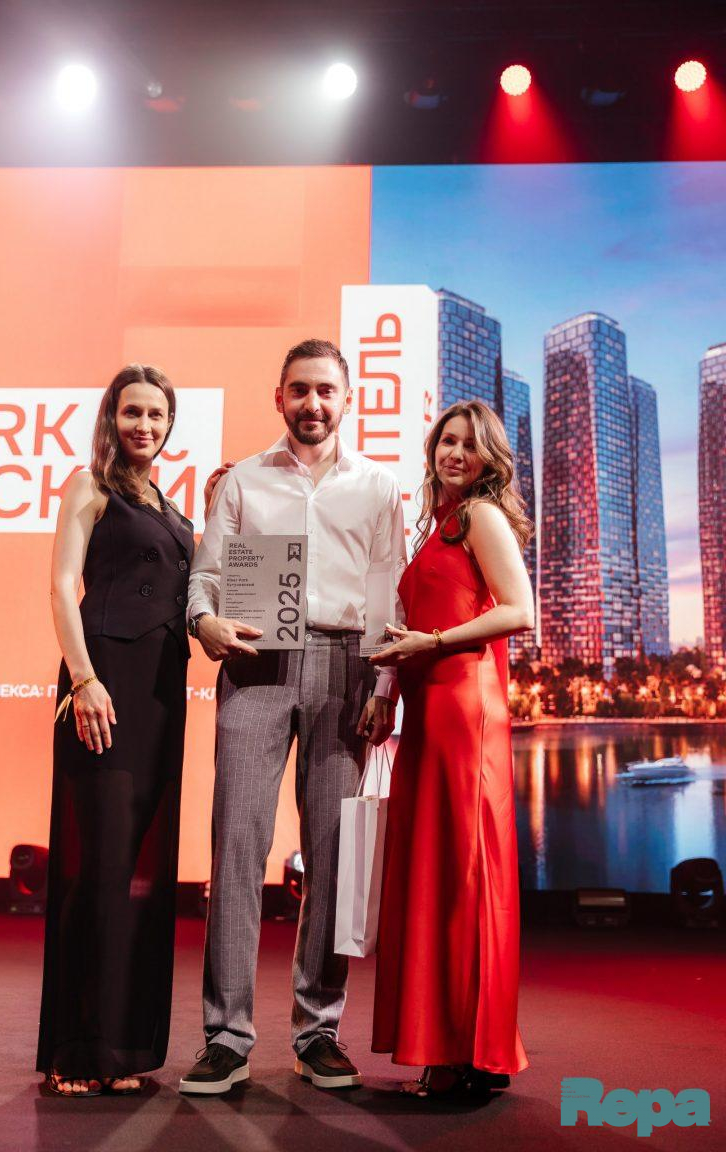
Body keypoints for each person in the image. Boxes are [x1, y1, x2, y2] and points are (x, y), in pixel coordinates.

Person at [179, 338, 406, 1096]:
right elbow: (206, 576)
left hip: (346, 666)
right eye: (300, 390)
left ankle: (318, 1031)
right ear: (279, 397)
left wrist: (385, 685)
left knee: (333, 856)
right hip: (256, 663)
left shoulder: (378, 487)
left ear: (347, 401)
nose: (313, 403)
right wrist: (204, 621)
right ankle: (226, 1037)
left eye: (326, 391)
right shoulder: (242, 480)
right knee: (236, 848)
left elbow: (390, 595)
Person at [36, 364, 194, 1097]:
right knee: (95, 869)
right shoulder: (88, 486)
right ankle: (76, 1048)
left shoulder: (171, 506)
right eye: (133, 412)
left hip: (161, 698)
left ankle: (122, 1047)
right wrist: (84, 679)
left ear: (169, 425)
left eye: (157, 415)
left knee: (138, 874)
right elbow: (60, 586)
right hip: (103, 691)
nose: (145, 426)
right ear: (112, 417)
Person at [370, 400, 533, 1098]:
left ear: (489, 458)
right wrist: (389, 685)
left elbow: (519, 609)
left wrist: (430, 643)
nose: (455, 454)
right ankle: (463, 1049)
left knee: (465, 879)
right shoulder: (437, 524)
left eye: (470, 445)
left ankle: (468, 1053)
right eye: (447, 441)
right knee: (442, 875)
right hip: (430, 711)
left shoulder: (480, 517)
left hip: (465, 711)